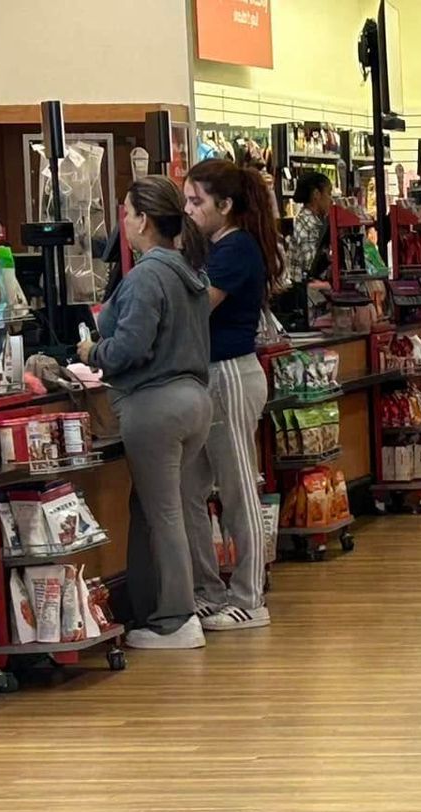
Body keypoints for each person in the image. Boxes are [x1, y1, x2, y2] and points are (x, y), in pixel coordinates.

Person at [78, 176, 213, 651]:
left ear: (144, 220)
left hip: (154, 406)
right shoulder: (189, 272)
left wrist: (93, 350)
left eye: (128, 212)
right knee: (164, 508)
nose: (124, 221)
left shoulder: (146, 277)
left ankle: (177, 619)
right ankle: (156, 608)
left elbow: (128, 349)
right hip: (195, 399)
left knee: (163, 513)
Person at [182, 158, 280, 631]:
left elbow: (196, 308)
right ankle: (209, 589)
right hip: (205, 377)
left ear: (225, 205)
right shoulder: (214, 248)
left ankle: (249, 594)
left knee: (238, 486)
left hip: (231, 375)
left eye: (196, 201)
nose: (189, 210)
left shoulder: (235, 249)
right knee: (190, 487)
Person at [282, 169, 332, 292]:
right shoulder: (306, 225)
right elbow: (312, 268)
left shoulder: (315, 222)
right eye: (328, 193)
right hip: (305, 295)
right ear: (316, 195)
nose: (331, 200)